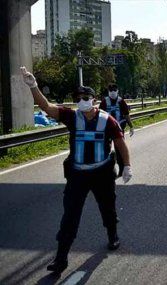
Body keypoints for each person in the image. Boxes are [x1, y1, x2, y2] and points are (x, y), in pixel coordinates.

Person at [21, 66, 133, 274]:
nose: (82, 100)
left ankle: (112, 235)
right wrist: (33, 86)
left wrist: (126, 165)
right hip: (78, 175)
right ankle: (61, 258)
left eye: (86, 96)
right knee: (70, 216)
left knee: (108, 208)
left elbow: (120, 143)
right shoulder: (72, 116)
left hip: (102, 173)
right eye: (78, 97)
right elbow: (46, 107)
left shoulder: (107, 120)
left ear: (94, 98)